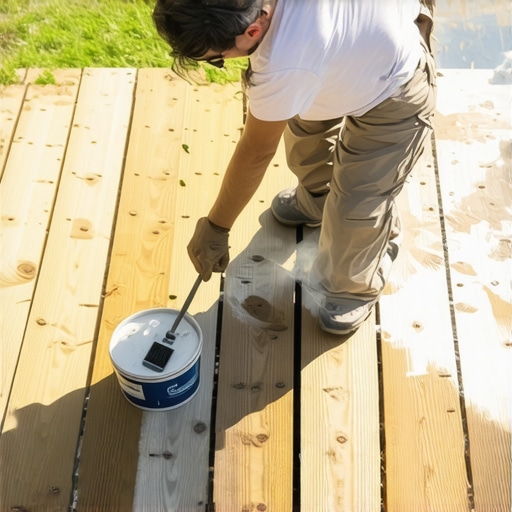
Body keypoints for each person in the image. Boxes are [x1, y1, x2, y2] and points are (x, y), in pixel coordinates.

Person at [152, 0, 436, 335]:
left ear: (253, 30)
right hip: (345, 53)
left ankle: (355, 286)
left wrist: (216, 226)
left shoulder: (285, 61)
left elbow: (256, 153)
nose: (222, 63)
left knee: (357, 209)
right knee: (304, 142)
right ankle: (318, 200)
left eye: (217, 59)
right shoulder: (288, 47)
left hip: (395, 85)